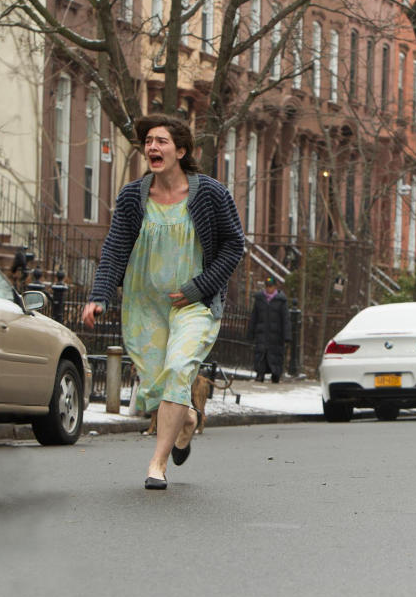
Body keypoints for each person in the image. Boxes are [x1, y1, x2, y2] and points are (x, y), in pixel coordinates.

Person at [81, 114, 244, 491]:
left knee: (177, 368)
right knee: (157, 385)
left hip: (195, 305)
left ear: (181, 150)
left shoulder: (210, 194)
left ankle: (158, 462)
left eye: (161, 141)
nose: (152, 147)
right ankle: (186, 417)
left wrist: (199, 287)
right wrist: (99, 296)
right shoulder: (132, 197)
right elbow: (115, 250)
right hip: (145, 306)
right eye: (148, 141)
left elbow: (234, 245)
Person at [248, 276, 291, 383]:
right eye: (267, 286)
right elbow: (254, 317)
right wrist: (250, 332)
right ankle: (260, 374)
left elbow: (286, 319)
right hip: (262, 333)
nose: (269, 289)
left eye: (271, 287)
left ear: (275, 287)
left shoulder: (281, 301)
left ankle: (275, 375)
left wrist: (287, 336)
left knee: (275, 355)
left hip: (276, 335)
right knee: (261, 353)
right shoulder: (259, 299)